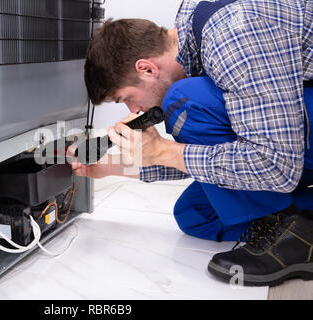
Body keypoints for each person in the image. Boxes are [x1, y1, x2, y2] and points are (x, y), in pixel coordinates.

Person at [75, 0, 313, 286]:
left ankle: (291, 234)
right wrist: (113, 166)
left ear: (147, 69)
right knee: (196, 215)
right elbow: (219, 150)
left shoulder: (232, 34)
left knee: (185, 99)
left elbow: (277, 165)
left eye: (126, 98)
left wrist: (163, 150)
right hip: (292, 136)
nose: (133, 111)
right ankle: (302, 223)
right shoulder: (195, 43)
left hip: (285, 151)